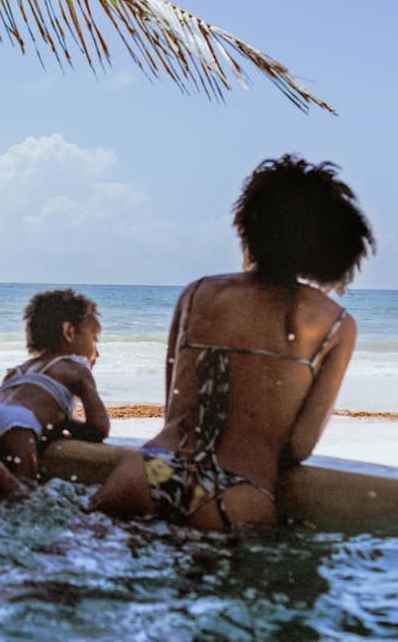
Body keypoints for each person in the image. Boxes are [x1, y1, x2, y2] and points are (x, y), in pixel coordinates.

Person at [89, 155, 375, 531]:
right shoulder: (336, 324)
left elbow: (175, 411)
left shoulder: (197, 294)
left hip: (150, 470)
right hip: (233, 495)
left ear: (249, 225)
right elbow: (298, 447)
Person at [0, 289, 110, 498]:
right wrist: (64, 423)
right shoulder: (74, 368)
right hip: (18, 424)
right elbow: (99, 428)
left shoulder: (17, 371)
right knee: (23, 496)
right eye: (94, 340)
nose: (97, 352)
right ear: (69, 331)